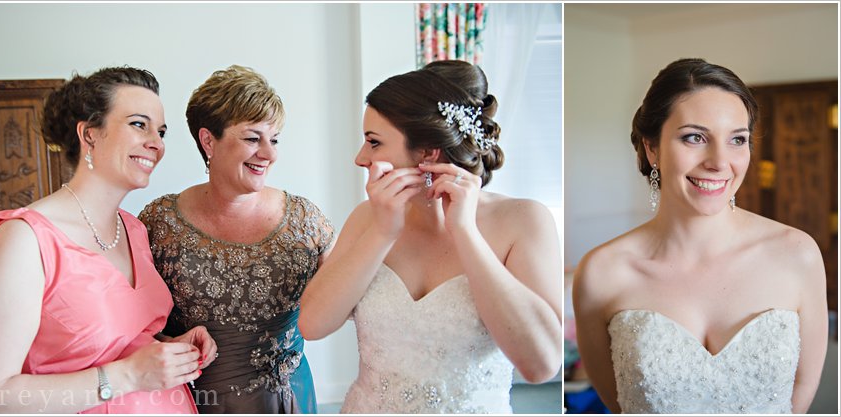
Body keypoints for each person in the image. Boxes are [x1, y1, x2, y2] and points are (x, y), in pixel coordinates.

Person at [298, 60, 563, 413]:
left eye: (374, 143)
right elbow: (312, 324)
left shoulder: (523, 220)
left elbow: (542, 364)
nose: (360, 158)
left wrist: (465, 232)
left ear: (427, 152)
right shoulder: (368, 219)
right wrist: (381, 232)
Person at [573, 58, 828, 414]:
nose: (720, 161)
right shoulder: (601, 272)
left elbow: (801, 390)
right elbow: (617, 401)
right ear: (652, 147)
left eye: (737, 139)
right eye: (695, 137)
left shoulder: (797, 254)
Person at [0, 66, 217, 413]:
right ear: (90, 134)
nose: (156, 143)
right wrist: (130, 377)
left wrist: (170, 350)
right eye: (139, 124)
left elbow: (115, 343)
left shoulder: (134, 230)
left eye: (162, 131)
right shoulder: (24, 240)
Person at [138, 65, 334, 413]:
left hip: (293, 401)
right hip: (203, 403)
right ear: (208, 140)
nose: (269, 154)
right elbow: (137, 329)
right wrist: (173, 345)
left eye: (274, 139)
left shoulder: (305, 220)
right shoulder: (160, 223)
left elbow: (350, 302)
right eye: (252, 138)